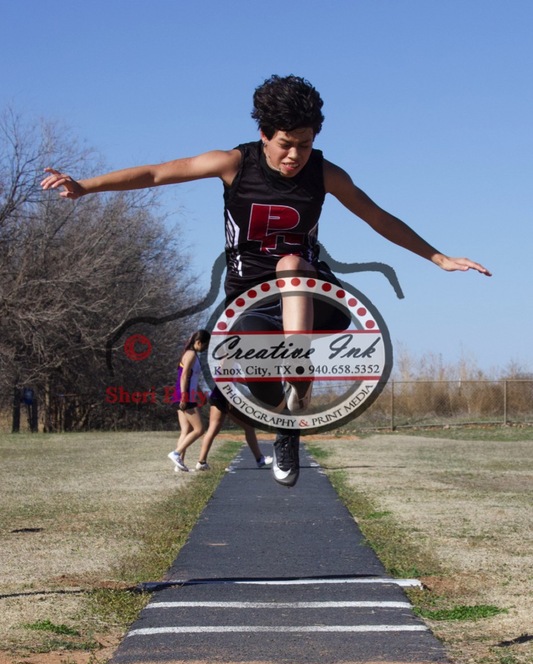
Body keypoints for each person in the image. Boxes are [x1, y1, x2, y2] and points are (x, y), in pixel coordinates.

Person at [41, 74, 491, 488]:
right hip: (248, 303)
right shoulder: (235, 163)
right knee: (262, 385)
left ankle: (297, 375)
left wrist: (438, 257)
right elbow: (158, 172)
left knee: (291, 262)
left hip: (314, 300)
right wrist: (86, 185)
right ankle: (287, 420)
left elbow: (377, 217)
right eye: (285, 144)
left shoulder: (325, 174)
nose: (295, 155)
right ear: (264, 136)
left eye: (306, 144)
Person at [195, 387, 273, 471]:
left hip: (217, 396)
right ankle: (259, 459)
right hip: (225, 397)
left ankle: (201, 462)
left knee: (212, 430)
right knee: (248, 427)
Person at [168, 329, 210, 473]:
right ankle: (176, 453)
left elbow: (193, 378)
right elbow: (184, 376)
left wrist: (200, 394)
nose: (206, 348)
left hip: (188, 395)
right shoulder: (191, 354)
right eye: (205, 345)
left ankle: (179, 465)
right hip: (184, 396)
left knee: (186, 430)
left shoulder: (194, 355)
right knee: (199, 429)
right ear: (198, 342)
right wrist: (185, 396)